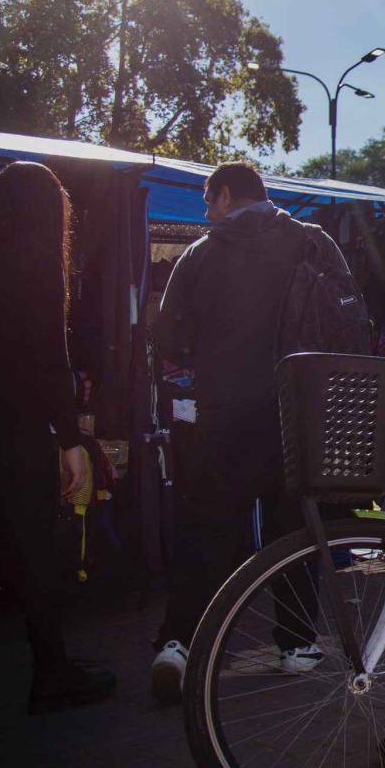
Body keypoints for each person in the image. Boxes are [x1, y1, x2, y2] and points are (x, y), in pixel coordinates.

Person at [150, 161, 351, 702]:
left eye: (206, 199)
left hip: (224, 412)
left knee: (207, 529)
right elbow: (352, 321)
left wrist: (209, 351)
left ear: (223, 195)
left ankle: (178, 643)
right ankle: (296, 644)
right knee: (295, 531)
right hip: (297, 412)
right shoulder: (311, 242)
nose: (205, 209)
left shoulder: (200, 254)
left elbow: (167, 337)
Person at [0, 161, 116, 714]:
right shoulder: (37, 263)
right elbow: (49, 360)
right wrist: (71, 442)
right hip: (11, 435)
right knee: (34, 555)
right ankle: (51, 672)